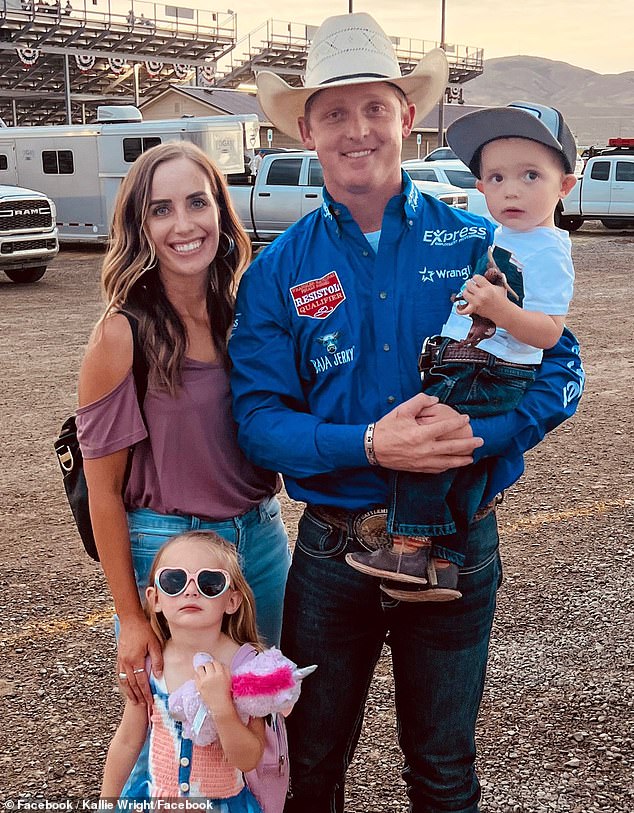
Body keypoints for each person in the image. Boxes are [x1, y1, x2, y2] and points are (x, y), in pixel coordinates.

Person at [229, 12, 584, 813]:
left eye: (375, 109)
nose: (357, 131)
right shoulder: (277, 271)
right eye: (334, 113)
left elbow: (563, 368)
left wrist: (475, 437)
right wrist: (368, 443)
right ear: (308, 129)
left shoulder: (479, 241)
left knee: (444, 772)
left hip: (460, 542)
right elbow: (254, 418)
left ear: (407, 118)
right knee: (309, 769)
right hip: (331, 555)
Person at [77, 141, 290, 793]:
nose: (184, 223)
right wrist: (133, 616)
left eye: (198, 202)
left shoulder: (243, 312)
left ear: (222, 212)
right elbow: (103, 493)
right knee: (165, 738)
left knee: (254, 716)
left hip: (259, 542)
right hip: (168, 552)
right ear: (140, 227)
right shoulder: (123, 333)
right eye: (161, 209)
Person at [346, 101, 578, 601]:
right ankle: (445, 565)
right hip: (470, 358)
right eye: (495, 177)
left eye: (531, 175)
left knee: (427, 440)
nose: (510, 189)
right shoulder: (499, 235)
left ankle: (407, 548)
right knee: (459, 459)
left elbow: (551, 336)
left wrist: (497, 306)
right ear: (480, 188)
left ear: (565, 186)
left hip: (488, 368)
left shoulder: (549, 249)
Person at [100, 530, 266, 804]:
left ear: (232, 601)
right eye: (173, 581)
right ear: (155, 599)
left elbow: (248, 759)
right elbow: (128, 742)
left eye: (209, 582)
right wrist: (106, 804)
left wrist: (223, 708)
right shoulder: (151, 665)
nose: (190, 590)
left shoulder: (248, 667)